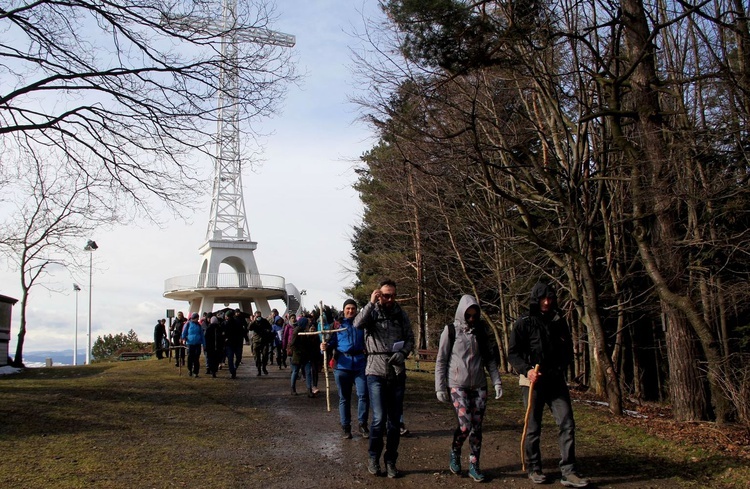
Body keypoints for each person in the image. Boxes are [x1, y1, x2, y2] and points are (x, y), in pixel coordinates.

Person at [508, 280, 589, 488]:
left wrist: (561, 367)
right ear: (536, 299)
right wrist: (526, 370)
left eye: (550, 298)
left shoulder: (558, 320)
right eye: (543, 298)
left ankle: (569, 471)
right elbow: (513, 353)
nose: (546, 302)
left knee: (567, 423)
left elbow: (567, 349)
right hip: (531, 381)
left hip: (555, 380)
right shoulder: (523, 322)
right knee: (533, 426)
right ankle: (534, 468)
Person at [435, 295, 503, 482]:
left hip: (479, 385)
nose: (472, 319)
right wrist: (440, 387)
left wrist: (496, 381)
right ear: (462, 314)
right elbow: (441, 360)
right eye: (468, 316)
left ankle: (474, 464)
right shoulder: (450, 331)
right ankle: (455, 452)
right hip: (457, 385)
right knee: (465, 425)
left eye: (475, 315)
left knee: (477, 427)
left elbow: (490, 359)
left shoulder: (481, 332)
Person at [354, 278, 414, 479]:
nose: (389, 299)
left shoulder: (400, 314)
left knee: (394, 422)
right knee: (378, 419)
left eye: (392, 295)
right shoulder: (372, 312)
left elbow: (410, 338)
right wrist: (371, 303)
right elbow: (357, 324)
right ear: (379, 294)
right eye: (386, 295)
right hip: (375, 371)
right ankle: (373, 457)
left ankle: (391, 460)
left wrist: (404, 352)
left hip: (396, 371)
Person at [321, 299, 369, 439]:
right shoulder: (337, 325)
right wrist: (324, 347)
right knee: (344, 398)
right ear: (344, 309)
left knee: (363, 395)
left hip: (360, 364)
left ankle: (362, 424)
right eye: (348, 308)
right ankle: (346, 426)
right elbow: (330, 343)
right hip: (342, 365)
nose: (350, 311)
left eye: (353, 308)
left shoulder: (362, 324)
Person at [289, 316, 319, 396]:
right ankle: (293, 388)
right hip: (298, 356)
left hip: (306, 355)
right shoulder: (296, 331)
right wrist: (299, 351)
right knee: (295, 372)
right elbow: (292, 345)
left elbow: (308, 343)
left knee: (308, 372)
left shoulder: (306, 331)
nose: (308, 324)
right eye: (307, 323)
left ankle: (309, 390)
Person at [222, 310, 246, 379]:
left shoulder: (237, 322)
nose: (226, 317)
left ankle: (234, 369)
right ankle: (233, 371)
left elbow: (242, 331)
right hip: (232, 344)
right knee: (233, 358)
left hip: (235, 343)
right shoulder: (225, 324)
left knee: (235, 358)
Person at [181, 312, 206, 377]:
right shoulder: (188, 324)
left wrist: (204, 344)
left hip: (197, 343)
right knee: (190, 357)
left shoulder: (199, 325)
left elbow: (202, 335)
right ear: (193, 318)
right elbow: (184, 332)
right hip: (190, 343)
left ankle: (196, 372)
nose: (197, 320)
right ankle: (190, 369)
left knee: (196, 358)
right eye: (196, 318)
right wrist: (183, 338)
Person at [249, 310, 273, 376]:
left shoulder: (264, 321)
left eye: (259, 315)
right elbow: (249, 328)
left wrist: (267, 331)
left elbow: (270, 328)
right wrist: (253, 321)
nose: (258, 317)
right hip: (256, 341)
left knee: (265, 355)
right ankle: (258, 369)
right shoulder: (254, 322)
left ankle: (264, 367)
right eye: (257, 315)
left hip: (264, 341)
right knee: (257, 357)